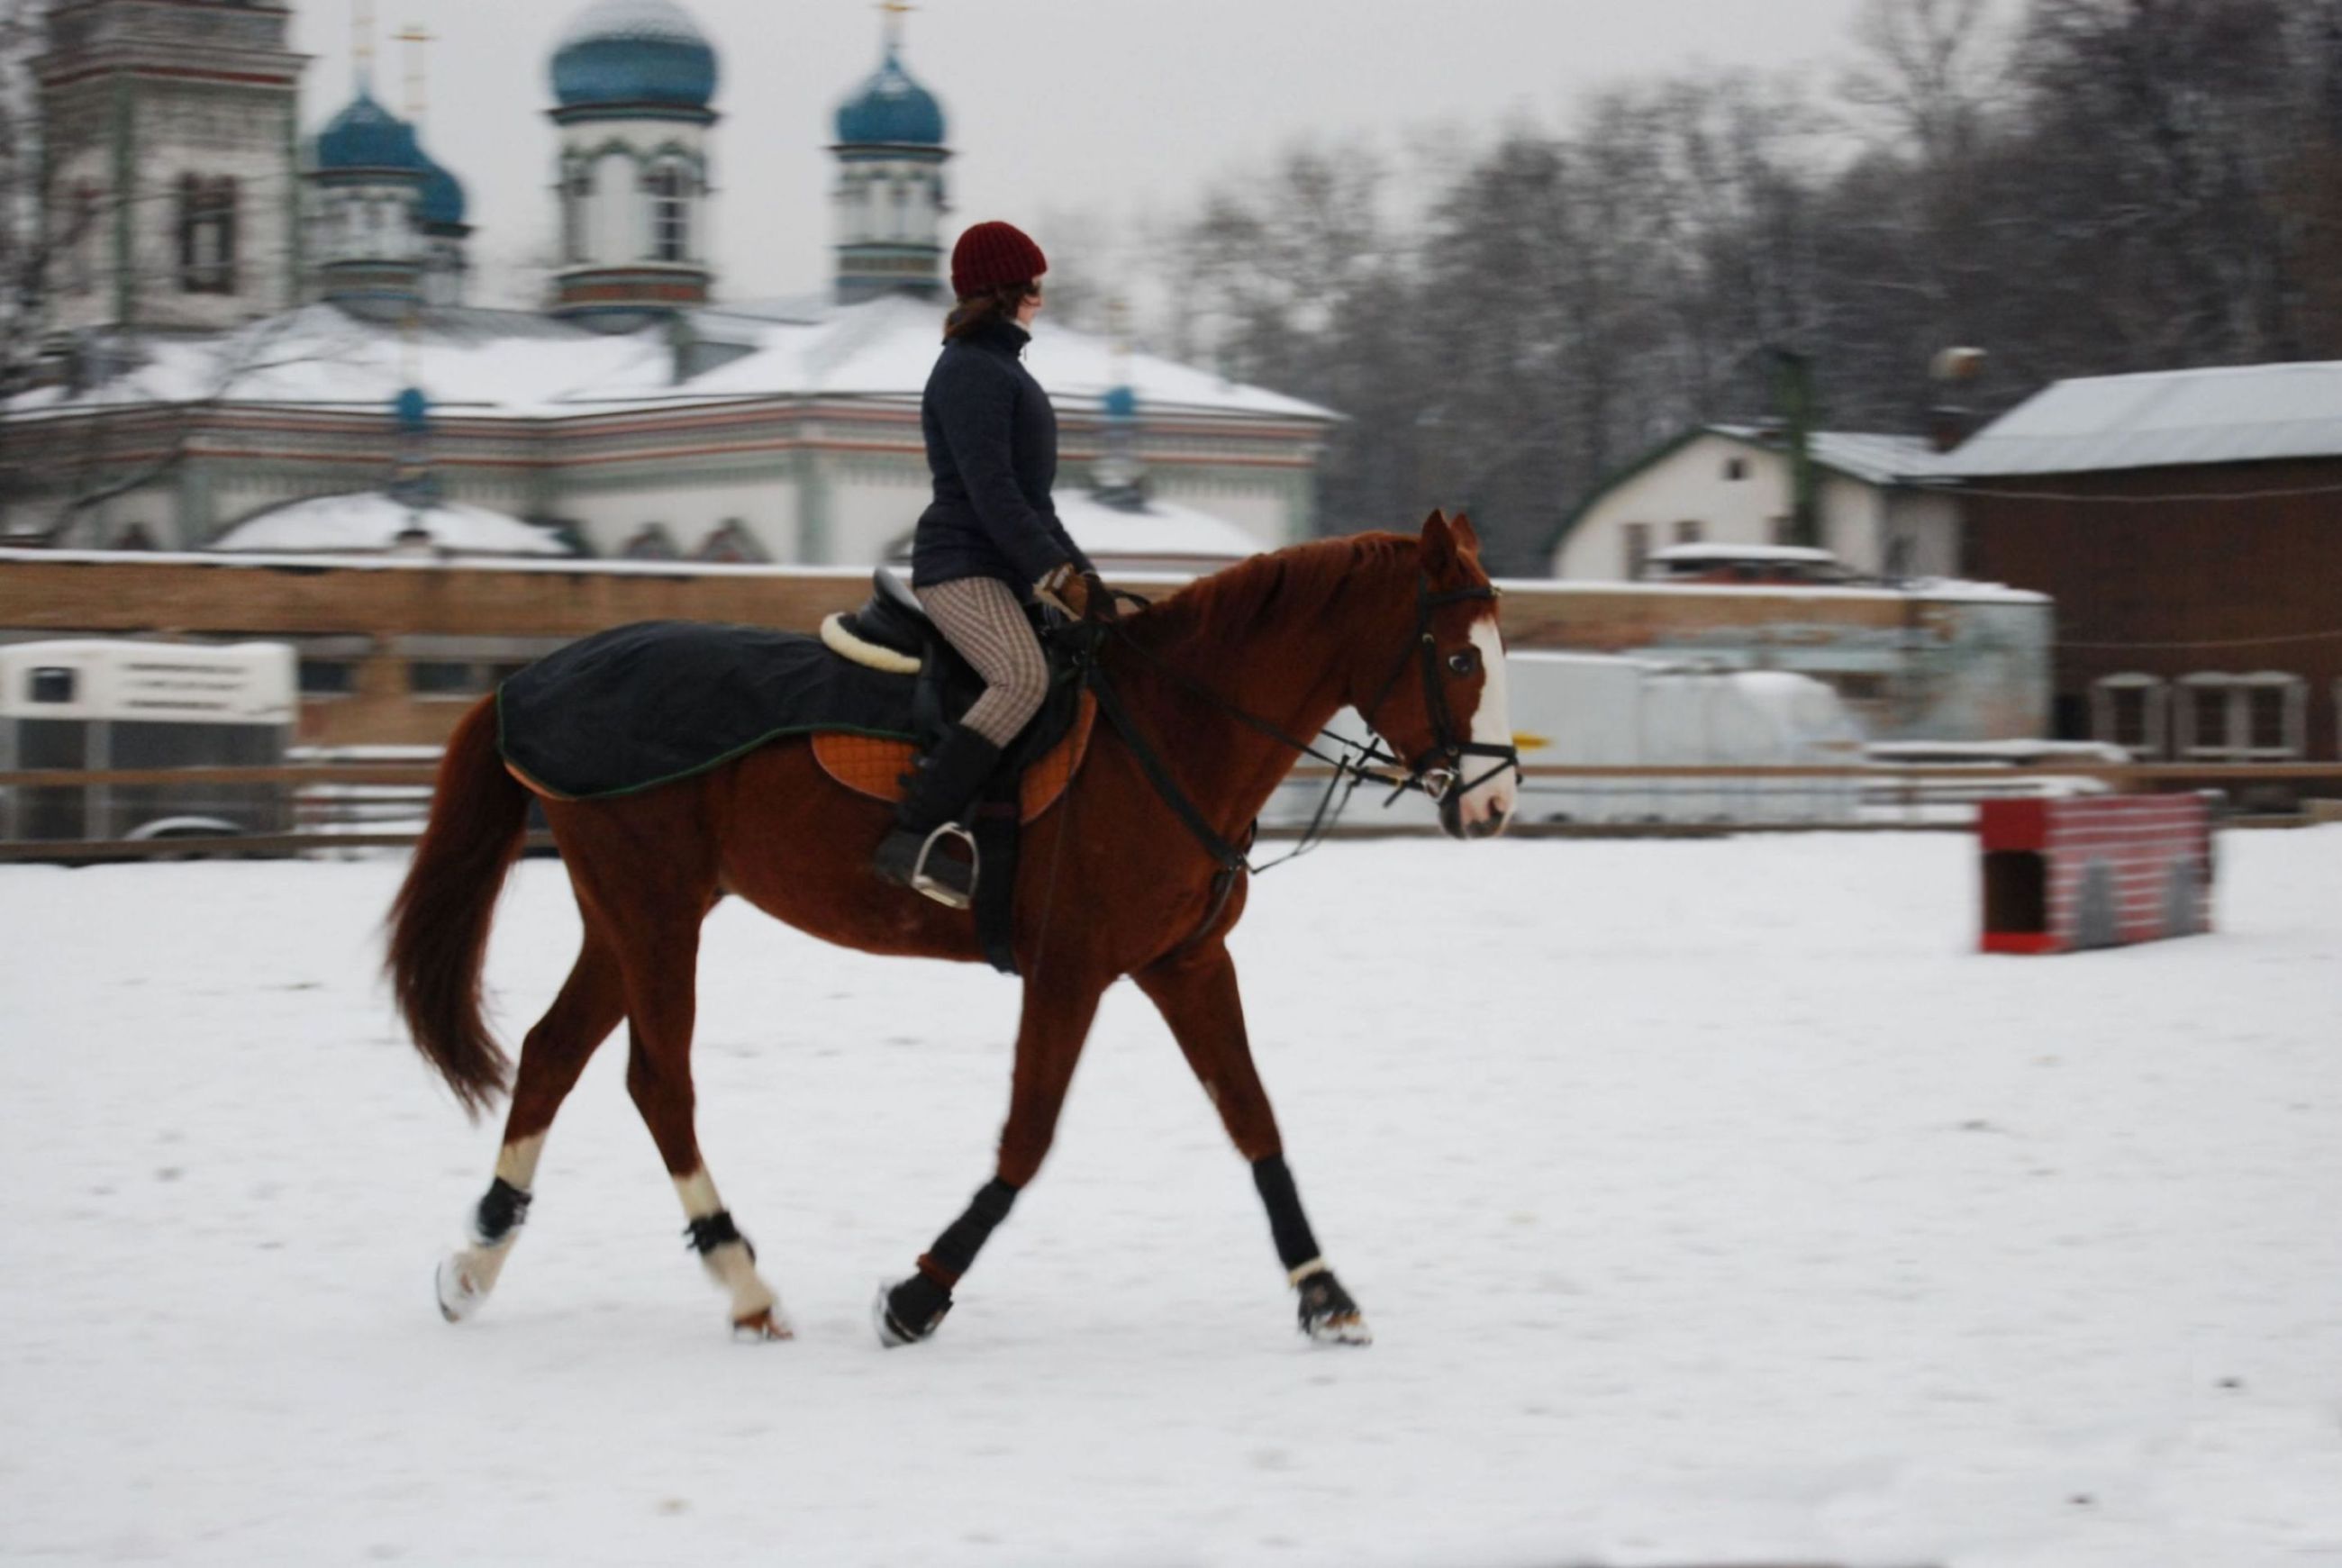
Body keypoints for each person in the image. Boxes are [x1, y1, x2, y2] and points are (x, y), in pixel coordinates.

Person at [872, 220, 1115, 901]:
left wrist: (1086, 579)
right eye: (1033, 283)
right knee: (1020, 679)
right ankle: (915, 833)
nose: (1041, 296)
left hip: (1005, 564)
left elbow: (1036, 502)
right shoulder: (971, 371)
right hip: (960, 567)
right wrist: (1055, 576)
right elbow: (992, 495)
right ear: (1008, 288)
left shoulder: (1003, 367)